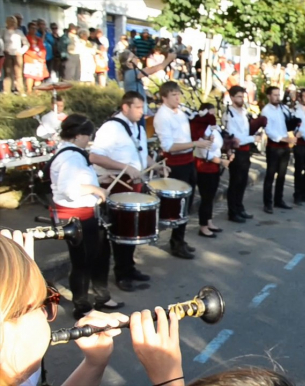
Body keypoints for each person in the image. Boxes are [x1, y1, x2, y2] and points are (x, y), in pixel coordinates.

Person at [0, 231, 186, 386]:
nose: (47, 312)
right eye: (45, 301)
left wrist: (94, 363)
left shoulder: (12, 371)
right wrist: (170, 380)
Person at [90, 92, 167, 292]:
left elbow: (142, 155)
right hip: (118, 183)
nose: (142, 112)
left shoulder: (138, 128)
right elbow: (95, 156)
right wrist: (125, 167)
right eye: (138, 107)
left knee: (132, 229)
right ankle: (121, 274)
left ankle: (129, 267)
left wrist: (156, 166)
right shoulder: (111, 128)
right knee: (120, 230)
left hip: (135, 183)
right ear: (126, 107)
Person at [49, 114, 124, 319]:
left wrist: (99, 179)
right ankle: (81, 307)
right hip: (76, 218)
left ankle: (102, 297)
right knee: (82, 263)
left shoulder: (73, 153)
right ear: (79, 135)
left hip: (89, 214)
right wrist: (95, 188)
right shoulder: (70, 156)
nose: (89, 140)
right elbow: (68, 189)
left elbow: (78, 179)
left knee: (101, 255)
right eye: (88, 136)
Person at [154, 81, 211, 259]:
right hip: (176, 164)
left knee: (188, 201)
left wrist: (201, 136)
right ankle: (176, 243)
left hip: (188, 160)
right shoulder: (162, 116)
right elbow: (169, 146)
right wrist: (195, 143)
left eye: (178, 94)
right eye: (173, 95)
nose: (178, 98)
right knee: (179, 204)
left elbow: (187, 136)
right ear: (164, 97)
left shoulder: (181, 113)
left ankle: (180, 238)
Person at [191, 103, 234, 238]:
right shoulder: (200, 129)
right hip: (204, 167)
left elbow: (218, 145)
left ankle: (208, 221)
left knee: (211, 196)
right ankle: (203, 226)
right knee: (206, 197)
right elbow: (206, 154)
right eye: (211, 113)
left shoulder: (213, 128)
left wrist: (228, 151)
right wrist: (222, 161)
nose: (213, 116)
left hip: (214, 167)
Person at [224, 85, 262, 223]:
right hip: (237, 151)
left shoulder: (244, 112)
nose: (241, 99)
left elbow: (246, 132)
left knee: (243, 181)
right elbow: (235, 137)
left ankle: (240, 208)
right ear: (232, 97)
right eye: (239, 96)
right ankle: (232, 212)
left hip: (246, 151)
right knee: (235, 182)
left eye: (242, 96)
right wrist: (252, 138)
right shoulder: (229, 114)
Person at [261, 86, 296, 213]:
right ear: (269, 96)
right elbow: (269, 131)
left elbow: (289, 122)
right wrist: (283, 139)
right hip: (274, 146)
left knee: (282, 175)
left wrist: (295, 130)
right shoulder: (266, 111)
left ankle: (278, 199)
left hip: (285, 146)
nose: (277, 97)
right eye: (274, 95)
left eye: (278, 94)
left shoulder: (283, 108)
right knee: (270, 175)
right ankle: (267, 203)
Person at [119, 49, 176, 126]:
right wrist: (168, 59)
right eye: (134, 57)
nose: (137, 58)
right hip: (136, 110)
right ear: (129, 63)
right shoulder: (131, 73)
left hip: (138, 109)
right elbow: (154, 69)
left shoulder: (130, 73)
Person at [2, 16, 28, 95]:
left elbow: (26, 44)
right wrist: (4, 49)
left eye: (13, 21)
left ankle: (21, 91)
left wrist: (21, 51)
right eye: (10, 21)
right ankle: (7, 91)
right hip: (7, 54)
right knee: (8, 74)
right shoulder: (3, 31)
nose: (12, 23)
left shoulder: (19, 32)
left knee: (18, 73)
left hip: (17, 54)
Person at [23, 22, 48, 94]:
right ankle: (29, 91)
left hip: (39, 61)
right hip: (30, 60)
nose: (34, 30)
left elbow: (43, 49)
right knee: (30, 77)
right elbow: (27, 50)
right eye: (32, 28)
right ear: (29, 29)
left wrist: (42, 58)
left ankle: (38, 92)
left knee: (38, 77)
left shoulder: (38, 39)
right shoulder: (26, 38)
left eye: (35, 28)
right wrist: (36, 58)